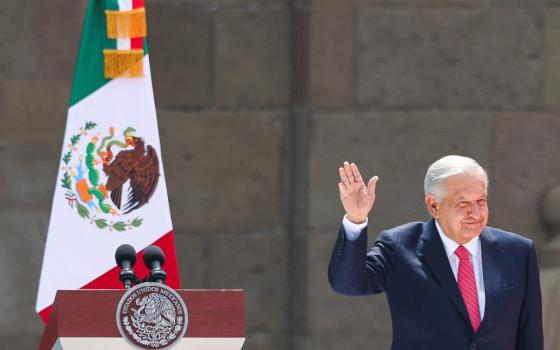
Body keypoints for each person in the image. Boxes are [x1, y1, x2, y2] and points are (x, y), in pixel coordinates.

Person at [328, 155, 543, 350]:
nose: (476, 213)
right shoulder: (399, 246)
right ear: (433, 205)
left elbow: (530, 333)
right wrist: (356, 219)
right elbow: (348, 284)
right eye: (463, 203)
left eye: (481, 201)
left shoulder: (518, 251)